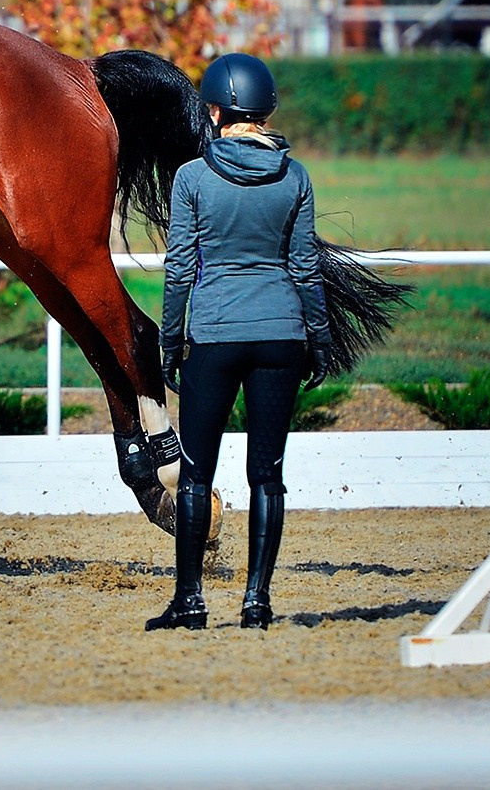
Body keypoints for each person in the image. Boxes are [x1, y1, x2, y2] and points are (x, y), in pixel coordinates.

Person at [148, 51, 333, 632]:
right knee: (268, 474)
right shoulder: (295, 176)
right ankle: (258, 600)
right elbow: (304, 266)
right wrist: (319, 337)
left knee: (198, 474)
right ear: (266, 108)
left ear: (215, 111)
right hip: (282, 333)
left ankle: (190, 601)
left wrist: (170, 341)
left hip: (215, 335)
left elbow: (180, 268)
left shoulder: (192, 178)